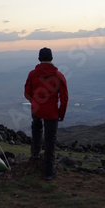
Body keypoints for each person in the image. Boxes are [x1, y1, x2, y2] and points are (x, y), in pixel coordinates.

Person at [24, 47, 68, 180]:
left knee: (36, 130)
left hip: (37, 110)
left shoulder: (32, 74)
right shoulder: (59, 76)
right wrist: (61, 113)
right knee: (50, 140)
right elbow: (64, 97)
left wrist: (34, 103)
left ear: (39, 59)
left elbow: (27, 92)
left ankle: (35, 154)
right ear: (52, 58)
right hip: (52, 112)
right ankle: (48, 173)